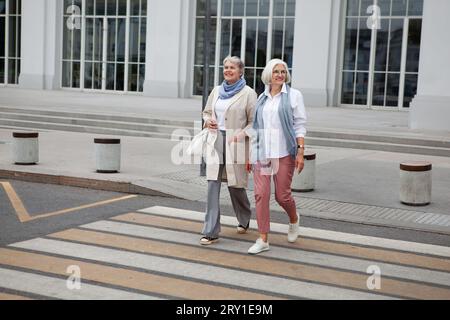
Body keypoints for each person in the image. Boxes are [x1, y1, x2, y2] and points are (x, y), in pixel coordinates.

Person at [247, 58, 307, 254]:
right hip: (262, 154)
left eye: (283, 71)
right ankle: (263, 238)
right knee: (261, 195)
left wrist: (300, 151)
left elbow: (299, 125)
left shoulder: (293, 96)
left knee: (282, 196)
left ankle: (294, 218)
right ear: (268, 75)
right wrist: (251, 154)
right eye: (276, 72)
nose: (280, 75)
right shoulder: (261, 98)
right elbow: (256, 127)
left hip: (283, 153)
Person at [200, 56, 257, 245]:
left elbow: (254, 123)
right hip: (216, 140)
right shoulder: (216, 91)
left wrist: (241, 135)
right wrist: (209, 120)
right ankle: (210, 231)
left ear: (241, 71)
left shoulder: (248, 93)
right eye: (225, 67)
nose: (228, 70)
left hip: (237, 143)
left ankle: (244, 216)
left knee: (235, 185)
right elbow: (207, 112)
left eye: (232, 67)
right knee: (212, 184)